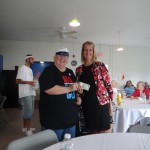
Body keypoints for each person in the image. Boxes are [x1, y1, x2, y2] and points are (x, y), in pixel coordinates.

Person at [39, 48, 82, 141]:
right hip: (54, 121)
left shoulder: (70, 72)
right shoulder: (49, 71)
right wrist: (69, 88)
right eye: (60, 55)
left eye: (65, 56)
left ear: (68, 59)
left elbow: (74, 89)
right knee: (53, 146)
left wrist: (78, 97)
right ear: (54, 57)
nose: (62, 58)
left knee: (70, 145)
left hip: (70, 119)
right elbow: (48, 89)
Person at [75, 41, 113, 134]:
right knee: (91, 131)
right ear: (82, 52)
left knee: (104, 131)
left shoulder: (100, 66)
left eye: (90, 50)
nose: (88, 52)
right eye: (85, 50)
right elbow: (80, 87)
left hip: (101, 104)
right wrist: (78, 94)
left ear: (93, 51)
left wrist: (110, 105)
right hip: (87, 104)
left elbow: (108, 85)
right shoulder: (79, 69)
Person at [16, 54, 38, 136]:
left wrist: (35, 78)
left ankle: (25, 127)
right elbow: (17, 81)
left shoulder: (30, 69)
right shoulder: (22, 68)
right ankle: (28, 130)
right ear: (28, 59)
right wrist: (29, 82)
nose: (33, 60)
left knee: (28, 111)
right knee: (28, 111)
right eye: (32, 59)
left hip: (31, 92)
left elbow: (30, 81)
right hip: (25, 93)